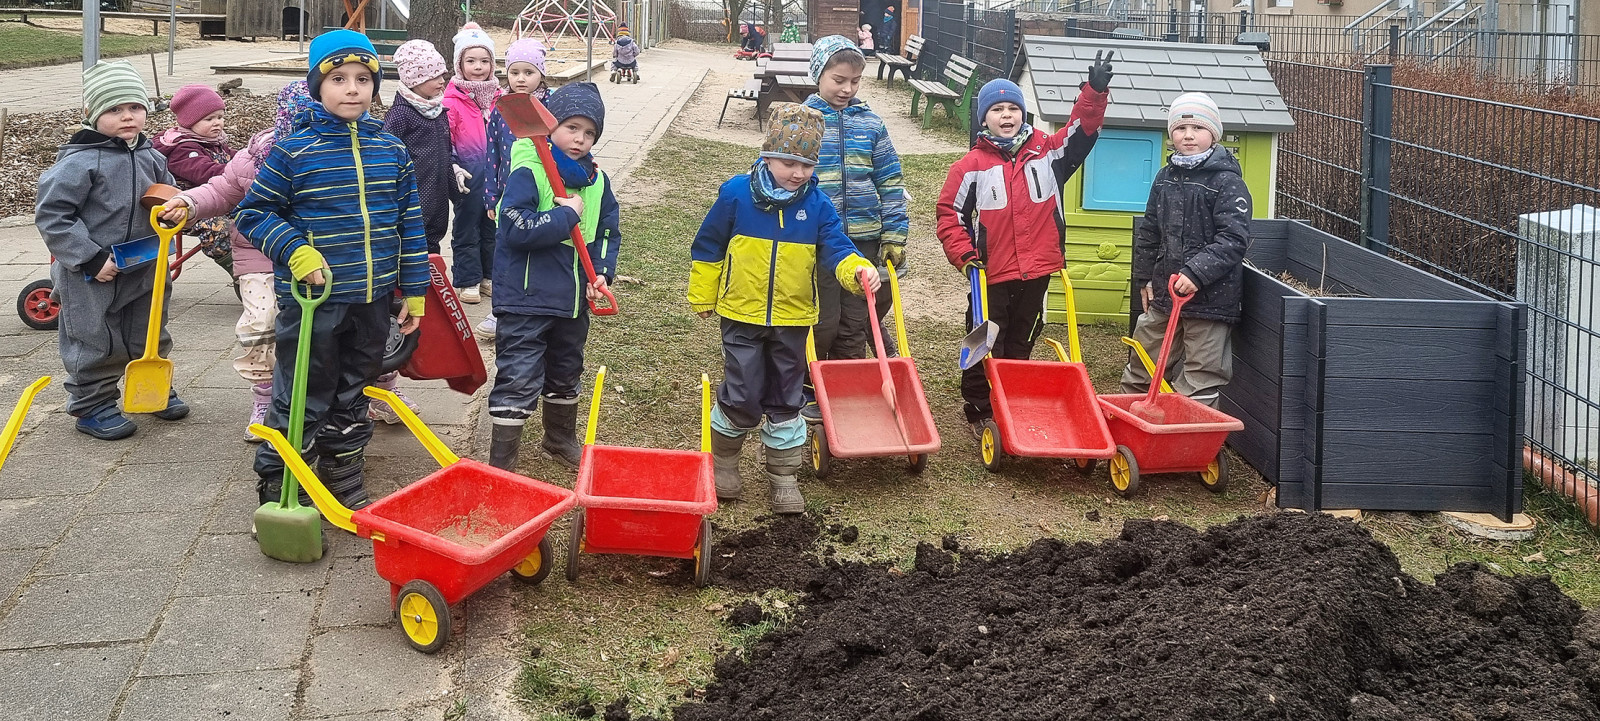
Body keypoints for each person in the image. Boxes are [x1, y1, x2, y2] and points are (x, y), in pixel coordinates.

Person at [235, 30, 429, 509]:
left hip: (372, 298)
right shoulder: (294, 152)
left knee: (353, 389)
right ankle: (283, 481)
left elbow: (409, 222)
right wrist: (297, 251)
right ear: (316, 86)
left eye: (363, 78)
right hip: (313, 302)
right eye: (338, 78)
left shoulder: (392, 151)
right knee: (303, 390)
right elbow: (254, 213)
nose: (352, 88)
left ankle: (342, 466)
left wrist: (416, 290)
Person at [688, 103, 880, 514]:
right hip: (741, 312)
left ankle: (784, 476)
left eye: (807, 165)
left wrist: (857, 269)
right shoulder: (736, 195)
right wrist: (703, 294)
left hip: (793, 318)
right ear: (767, 155)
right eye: (788, 161)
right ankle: (724, 463)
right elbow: (708, 246)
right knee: (742, 389)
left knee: (787, 394)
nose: (797, 173)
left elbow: (836, 246)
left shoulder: (819, 205)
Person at [936, 54, 1113, 436]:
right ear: (983, 118)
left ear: (1023, 113)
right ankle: (979, 406)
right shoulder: (970, 166)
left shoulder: (1049, 153)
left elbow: (1081, 130)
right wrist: (967, 257)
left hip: (1039, 267)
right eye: (997, 109)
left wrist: (1094, 93)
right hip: (990, 272)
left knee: (1023, 333)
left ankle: (1012, 395)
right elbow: (949, 215)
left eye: (1013, 108)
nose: (1006, 115)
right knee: (985, 336)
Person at [35, 60, 184, 440]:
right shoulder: (79, 162)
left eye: (135, 108)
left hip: (145, 262)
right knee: (93, 336)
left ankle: (149, 386)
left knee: (149, 330)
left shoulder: (152, 156)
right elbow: (53, 216)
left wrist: (174, 214)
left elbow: (168, 200)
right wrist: (89, 257)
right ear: (91, 114)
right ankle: (92, 403)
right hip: (92, 271)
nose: (128, 117)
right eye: (114, 110)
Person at [159, 82, 314, 441]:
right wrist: (189, 203)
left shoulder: (344, 157)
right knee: (261, 325)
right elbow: (221, 189)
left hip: (321, 256)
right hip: (260, 253)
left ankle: (366, 390)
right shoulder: (256, 157)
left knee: (344, 325)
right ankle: (264, 397)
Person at [486, 83, 620, 472]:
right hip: (526, 299)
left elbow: (608, 231)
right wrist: (565, 216)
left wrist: (602, 273)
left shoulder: (597, 182)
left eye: (589, 132)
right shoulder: (529, 169)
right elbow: (515, 230)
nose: (580, 139)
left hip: (573, 297)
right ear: (550, 127)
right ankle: (502, 461)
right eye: (571, 128)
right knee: (519, 374)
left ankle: (559, 438)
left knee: (566, 367)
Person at [800, 36, 908, 421]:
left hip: (865, 238)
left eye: (856, 81)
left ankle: (849, 387)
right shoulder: (802, 121)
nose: (847, 89)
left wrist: (894, 235)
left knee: (856, 320)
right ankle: (811, 386)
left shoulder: (872, 124)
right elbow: (783, 176)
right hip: (817, 242)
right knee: (822, 319)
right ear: (818, 75)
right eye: (838, 79)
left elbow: (891, 183)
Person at [1121, 92, 1251, 408]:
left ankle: (1189, 438)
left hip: (1212, 299)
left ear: (1214, 134)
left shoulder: (1227, 181)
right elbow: (1150, 232)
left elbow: (1234, 238)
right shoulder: (1165, 177)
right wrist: (1144, 279)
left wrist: (1195, 273)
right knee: (1144, 356)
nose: (1188, 136)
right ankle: (1126, 418)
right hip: (1166, 293)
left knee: (1202, 371)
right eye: (1180, 129)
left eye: (1198, 128)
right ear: (1171, 134)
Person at [480, 37, 552, 342]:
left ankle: (539, 304)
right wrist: (491, 196)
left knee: (539, 249)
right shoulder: (501, 108)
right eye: (514, 72)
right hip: (508, 194)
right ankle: (501, 309)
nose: (521, 79)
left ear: (541, 74)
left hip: (542, 193)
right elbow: (492, 153)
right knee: (505, 250)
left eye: (528, 72)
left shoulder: (550, 106)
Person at [443, 21, 501, 304]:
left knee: (492, 227)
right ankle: (468, 279)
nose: (478, 67)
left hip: (495, 178)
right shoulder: (452, 100)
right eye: (471, 61)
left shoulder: (500, 98)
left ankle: (489, 275)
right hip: (467, 175)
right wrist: (453, 166)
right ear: (460, 64)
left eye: (484, 60)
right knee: (467, 227)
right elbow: (447, 138)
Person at [152, 83, 236, 276]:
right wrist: (238, 172)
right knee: (220, 228)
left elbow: (236, 158)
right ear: (189, 121)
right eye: (209, 119)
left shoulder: (214, 142)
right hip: (186, 209)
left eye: (220, 117)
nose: (217, 123)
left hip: (218, 200)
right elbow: (205, 172)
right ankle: (238, 270)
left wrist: (251, 160)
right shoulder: (182, 148)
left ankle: (261, 265)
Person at [384, 40, 454, 256]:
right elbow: (386, 155)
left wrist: (456, 187)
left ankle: (429, 279)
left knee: (434, 239)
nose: (442, 81)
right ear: (415, 79)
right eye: (435, 76)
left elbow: (445, 154)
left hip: (438, 192)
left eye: (442, 75)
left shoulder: (439, 111)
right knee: (412, 241)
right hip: (414, 195)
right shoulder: (400, 115)